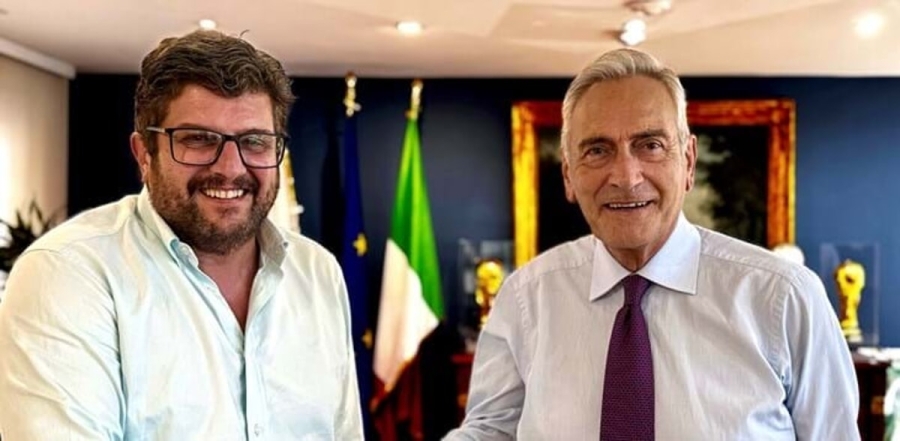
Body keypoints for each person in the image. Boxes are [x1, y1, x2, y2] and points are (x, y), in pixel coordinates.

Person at [444, 48, 859, 440]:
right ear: (569, 175)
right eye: (598, 150)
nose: (626, 177)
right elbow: (491, 432)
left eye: (651, 145)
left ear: (688, 161)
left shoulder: (785, 298)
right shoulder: (525, 299)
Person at [0, 30, 363, 439]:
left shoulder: (317, 272)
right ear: (144, 154)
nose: (231, 168)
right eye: (198, 139)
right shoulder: (66, 274)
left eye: (255, 141)